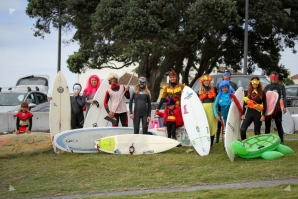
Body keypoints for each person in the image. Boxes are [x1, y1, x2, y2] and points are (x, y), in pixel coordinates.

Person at [263, 71, 287, 144]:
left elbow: (284, 96)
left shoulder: (281, 86)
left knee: (279, 124)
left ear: (277, 77)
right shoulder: (267, 87)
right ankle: (267, 142)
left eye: (275, 77)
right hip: (269, 109)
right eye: (272, 77)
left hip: (277, 108)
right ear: (270, 77)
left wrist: (285, 107)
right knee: (267, 125)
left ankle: (281, 141)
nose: (273, 79)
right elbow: (263, 98)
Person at [215, 69, 238, 143]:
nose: (226, 76)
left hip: (230, 105)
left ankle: (232, 138)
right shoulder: (219, 84)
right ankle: (218, 139)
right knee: (220, 123)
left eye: (227, 75)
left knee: (230, 122)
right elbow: (218, 94)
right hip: (221, 105)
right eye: (225, 75)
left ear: (230, 76)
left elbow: (236, 94)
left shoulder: (233, 84)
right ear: (223, 76)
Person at [198, 74, 218, 147]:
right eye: (205, 81)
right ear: (202, 82)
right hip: (203, 108)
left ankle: (211, 144)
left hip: (212, 107)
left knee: (212, 125)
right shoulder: (199, 91)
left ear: (209, 81)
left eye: (207, 81)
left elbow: (216, 100)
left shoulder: (214, 89)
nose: (206, 82)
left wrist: (217, 110)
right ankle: (205, 142)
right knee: (204, 125)